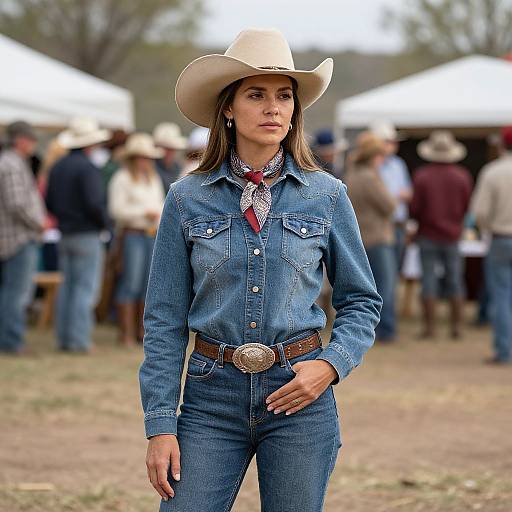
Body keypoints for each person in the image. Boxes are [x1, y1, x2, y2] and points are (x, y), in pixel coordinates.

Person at [139, 28, 382, 511]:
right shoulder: (187, 198)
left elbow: (361, 301)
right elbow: (164, 319)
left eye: (284, 96)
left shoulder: (326, 194)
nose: (274, 108)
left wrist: (331, 365)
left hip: (300, 395)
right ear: (227, 108)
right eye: (256, 95)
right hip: (210, 398)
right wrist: (161, 424)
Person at [46, 117, 111, 353]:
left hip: (64, 233)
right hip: (87, 234)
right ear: (90, 144)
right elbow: (94, 204)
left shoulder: (57, 167)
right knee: (85, 288)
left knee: (67, 287)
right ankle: (79, 341)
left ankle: (64, 338)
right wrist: (106, 225)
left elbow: (49, 202)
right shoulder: (88, 168)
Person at [410, 130, 473, 339]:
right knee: (455, 280)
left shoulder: (422, 176)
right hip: (453, 235)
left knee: (428, 280)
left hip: (427, 234)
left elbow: (414, 208)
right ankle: (457, 327)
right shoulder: (462, 176)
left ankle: (430, 328)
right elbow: (467, 207)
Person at [108, 133, 165, 346]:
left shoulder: (152, 178)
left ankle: (141, 332)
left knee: (147, 284)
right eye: (141, 157)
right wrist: (144, 213)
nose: (145, 161)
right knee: (130, 281)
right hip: (132, 234)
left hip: (150, 234)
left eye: (147, 157)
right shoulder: (121, 179)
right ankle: (126, 332)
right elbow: (116, 210)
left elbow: (161, 204)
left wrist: (154, 215)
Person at [344, 131, 397, 342]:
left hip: (361, 238)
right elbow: (389, 205)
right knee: (385, 286)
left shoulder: (352, 174)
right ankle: (386, 330)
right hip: (378, 238)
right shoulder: (369, 176)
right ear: (374, 156)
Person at [0, 121, 45, 354]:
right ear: (20, 139)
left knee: (12, 291)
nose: (33, 144)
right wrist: (38, 223)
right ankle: (12, 341)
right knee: (17, 293)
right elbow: (17, 203)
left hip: (13, 237)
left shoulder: (11, 162)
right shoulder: (11, 164)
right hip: (19, 238)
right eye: (31, 139)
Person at [471, 126, 512, 364]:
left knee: (501, 296)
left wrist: (487, 228)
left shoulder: (493, 172)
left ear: (501, 145)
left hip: (501, 238)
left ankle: (504, 350)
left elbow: (481, 212)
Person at [370, 120, 412, 270]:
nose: (393, 145)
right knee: (383, 271)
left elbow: (408, 192)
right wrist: (395, 196)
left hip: (399, 224)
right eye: (388, 141)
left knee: (395, 270)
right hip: (380, 226)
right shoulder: (372, 166)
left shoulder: (398, 164)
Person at [153, 122, 187, 191]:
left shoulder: (178, 167)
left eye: (172, 149)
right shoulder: (152, 167)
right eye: (166, 148)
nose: (169, 153)